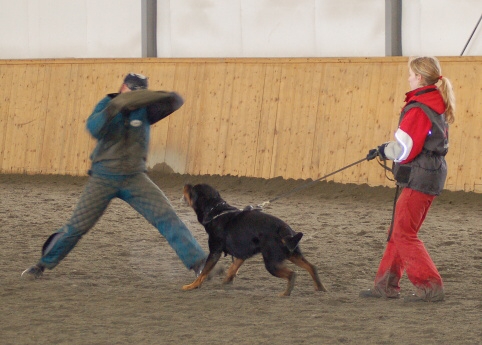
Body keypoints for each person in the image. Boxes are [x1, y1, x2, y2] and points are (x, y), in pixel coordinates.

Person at [22, 73, 207, 279]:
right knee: (77, 226)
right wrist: (114, 108)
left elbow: (175, 101)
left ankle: (199, 263)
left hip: (135, 177)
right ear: (122, 88)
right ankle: (42, 265)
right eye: (129, 91)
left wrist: (148, 97)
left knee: (167, 217)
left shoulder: (145, 110)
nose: (131, 97)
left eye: (138, 93)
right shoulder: (107, 104)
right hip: (103, 177)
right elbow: (94, 129)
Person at [361, 56, 455, 302]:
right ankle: (385, 285)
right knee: (400, 232)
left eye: (411, 75)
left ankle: (430, 287)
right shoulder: (433, 104)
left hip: (420, 176)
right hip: (428, 174)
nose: (409, 78)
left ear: (420, 78)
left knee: (404, 233)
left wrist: (384, 149)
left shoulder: (419, 108)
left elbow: (406, 149)